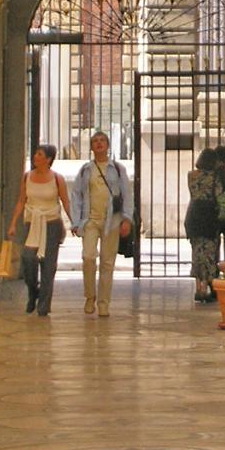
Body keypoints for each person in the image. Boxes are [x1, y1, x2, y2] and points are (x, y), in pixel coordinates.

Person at [70, 131, 133, 318]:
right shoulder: (86, 170)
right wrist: (76, 221)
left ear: (107, 145)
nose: (99, 143)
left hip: (112, 221)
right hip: (90, 220)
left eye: (102, 140)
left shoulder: (118, 169)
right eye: (95, 141)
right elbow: (76, 195)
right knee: (88, 257)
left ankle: (104, 303)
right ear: (91, 147)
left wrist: (126, 219)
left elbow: (127, 194)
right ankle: (90, 296)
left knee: (107, 263)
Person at [7, 144, 73, 317]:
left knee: (48, 266)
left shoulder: (57, 179)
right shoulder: (27, 177)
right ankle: (33, 291)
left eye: (39, 154)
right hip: (32, 223)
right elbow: (21, 201)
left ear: (48, 159)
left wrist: (74, 222)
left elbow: (65, 202)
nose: (35, 157)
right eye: (36, 154)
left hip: (51, 224)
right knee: (28, 258)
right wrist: (13, 223)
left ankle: (43, 306)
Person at [185, 148, 221, 302]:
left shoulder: (191, 176)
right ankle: (205, 286)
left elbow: (193, 194)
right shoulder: (214, 178)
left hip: (193, 215)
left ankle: (198, 287)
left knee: (197, 252)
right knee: (209, 254)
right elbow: (218, 196)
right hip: (209, 216)